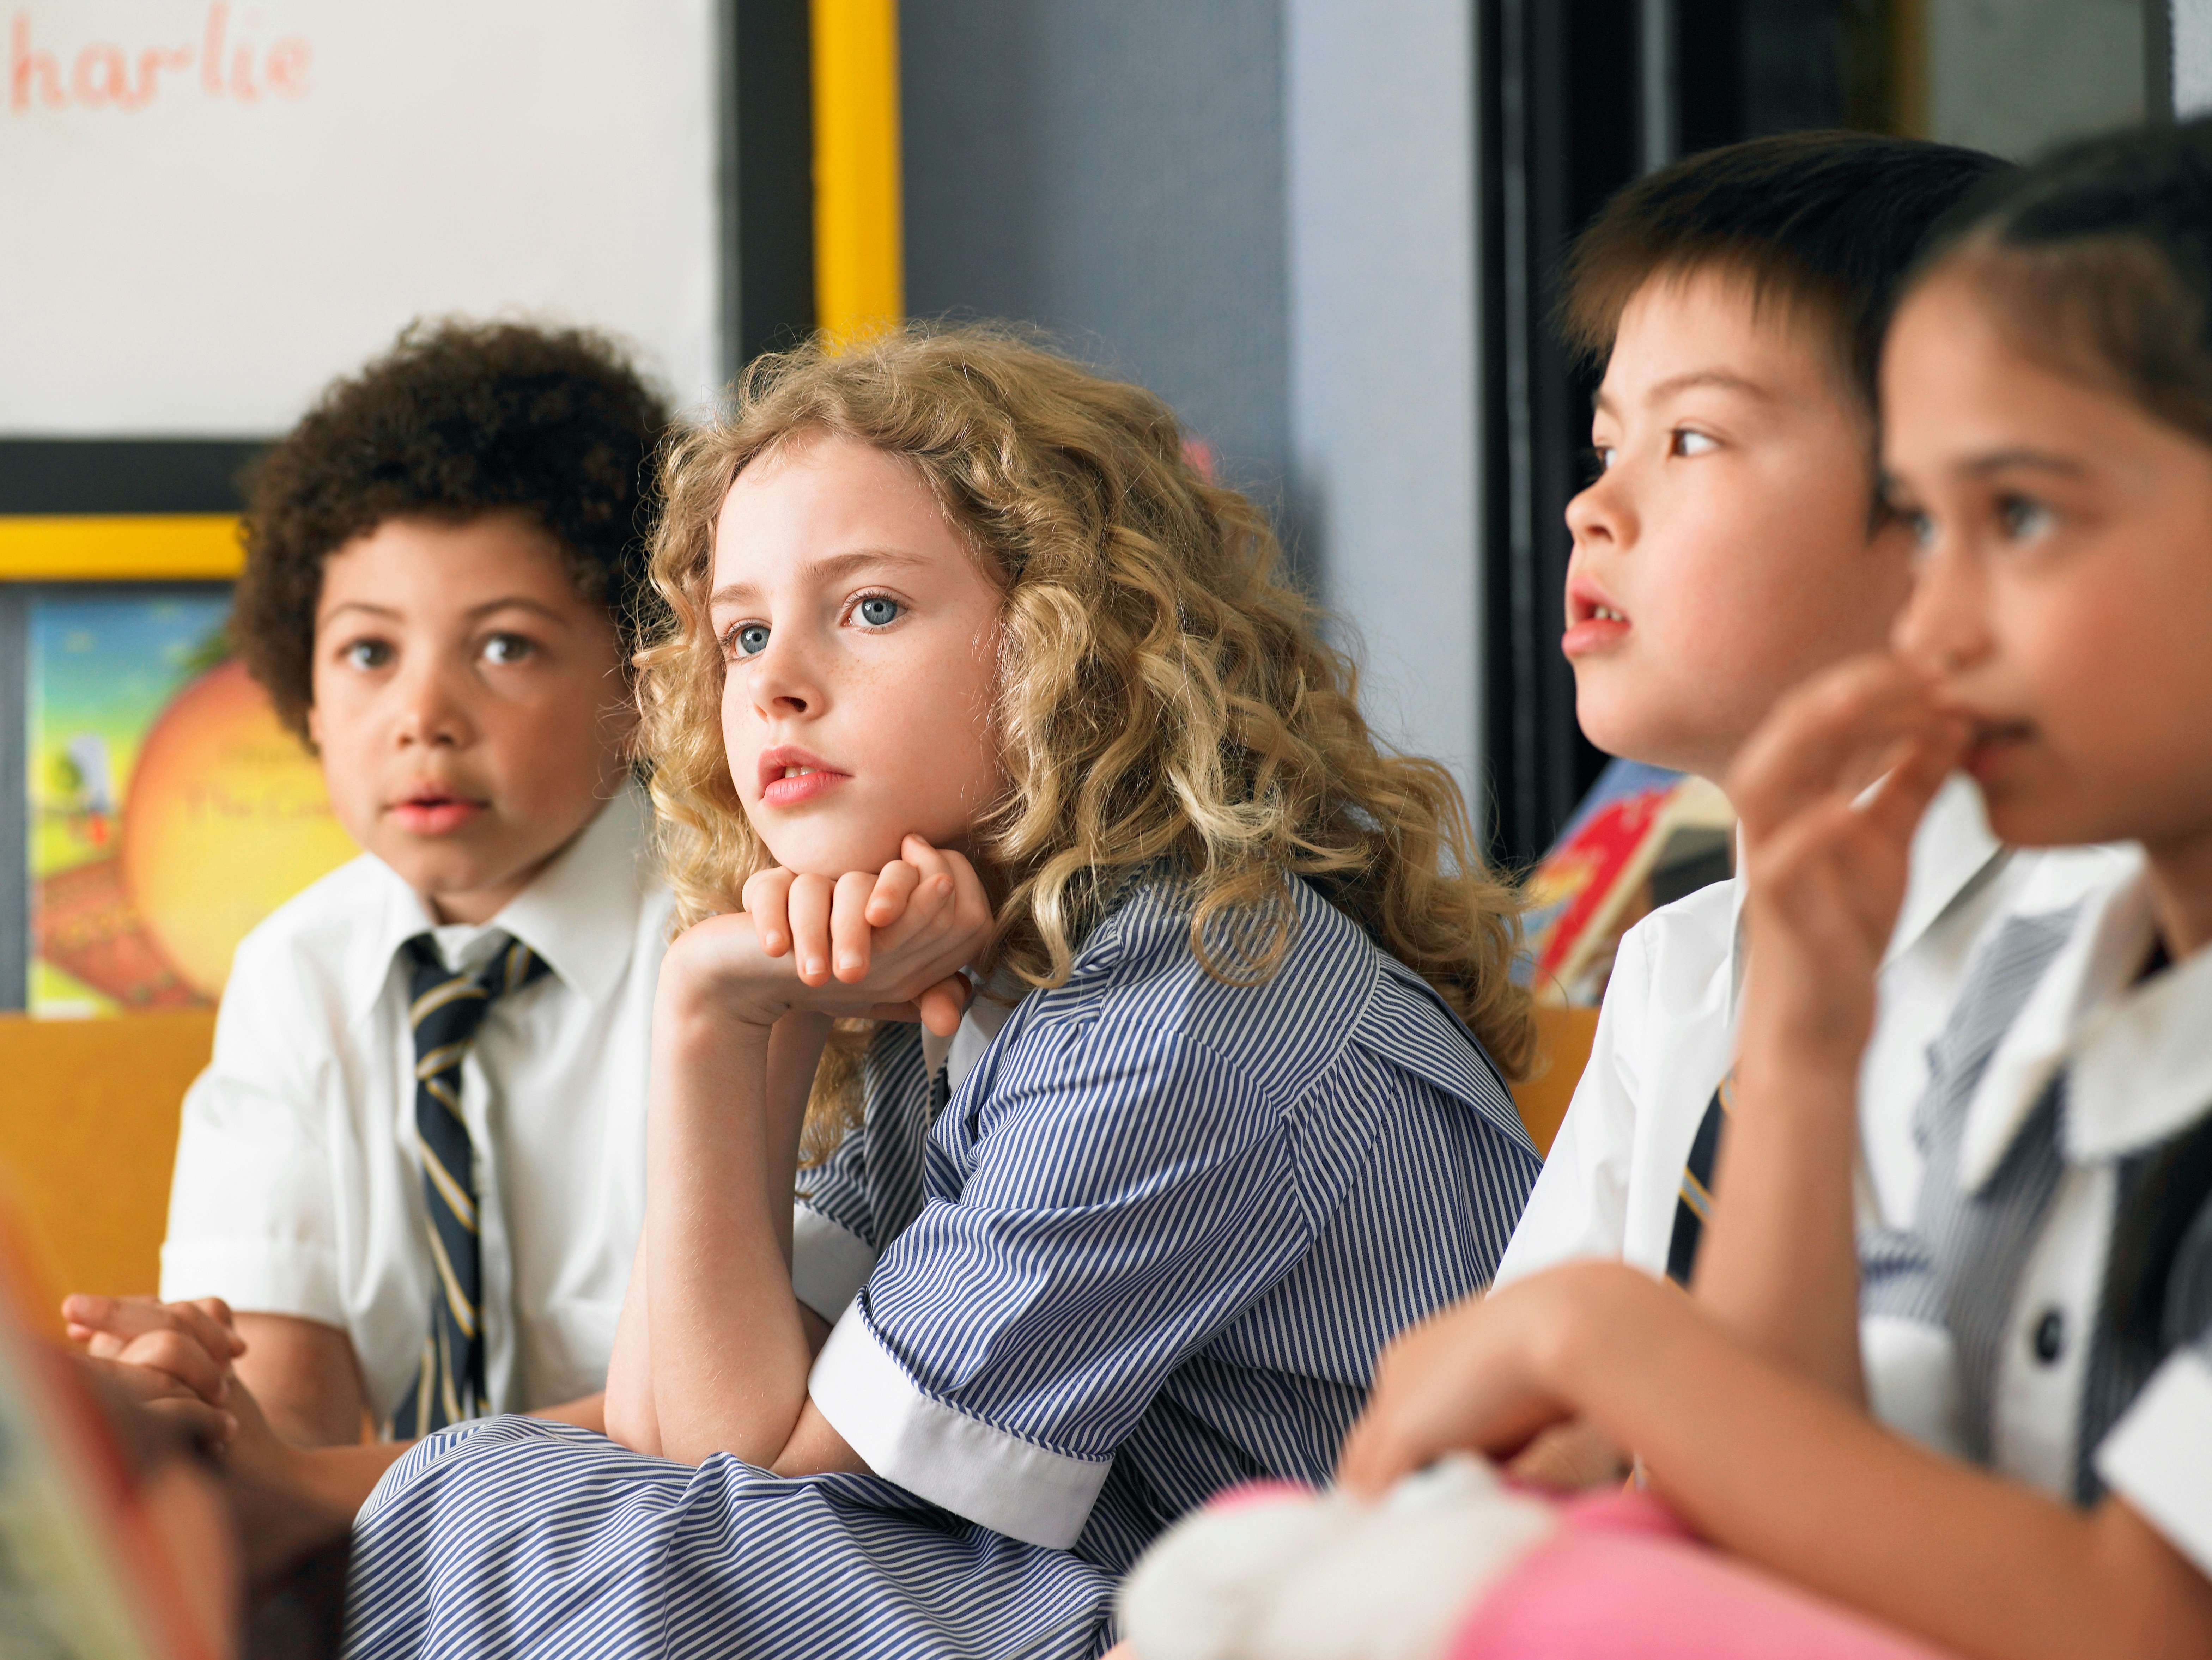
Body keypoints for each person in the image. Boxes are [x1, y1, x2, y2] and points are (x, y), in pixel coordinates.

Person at [339, 323, 1542, 1657]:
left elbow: (755, 1499)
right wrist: (744, 1008)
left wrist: (711, 1017)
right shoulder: (978, 983)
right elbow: (675, 1430)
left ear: (1075, 645)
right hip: (1135, 1597)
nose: (778, 685)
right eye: (742, 634)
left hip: (1321, 1625)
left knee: (511, 1506)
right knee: (515, 1491)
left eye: (870, 609)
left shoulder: (1195, 1002)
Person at [1334, 118, 2212, 1659]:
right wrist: (1800, 1045)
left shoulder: (2051, 947)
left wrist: (1605, 1345)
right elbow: (1741, 1529)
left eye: (2011, 517)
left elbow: (2137, 1618)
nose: (1937, 612)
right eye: (1931, 519)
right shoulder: (1749, 956)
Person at [1493, 134, 2126, 1360]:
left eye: (1691, 441)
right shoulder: (1676, 972)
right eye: (1605, 444)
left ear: (1941, 513)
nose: (1592, 505)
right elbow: (1522, 1421)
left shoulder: (2090, 928)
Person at [66, 320, 673, 1514]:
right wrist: (198, 1402)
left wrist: (306, 1476)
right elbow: (285, 1421)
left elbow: (739, 1412)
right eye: (367, 652)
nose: (423, 715)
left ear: (645, 683)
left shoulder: (742, 940)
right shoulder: (296, 970)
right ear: (303, 687)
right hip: (409, 1567)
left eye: (506, 645)